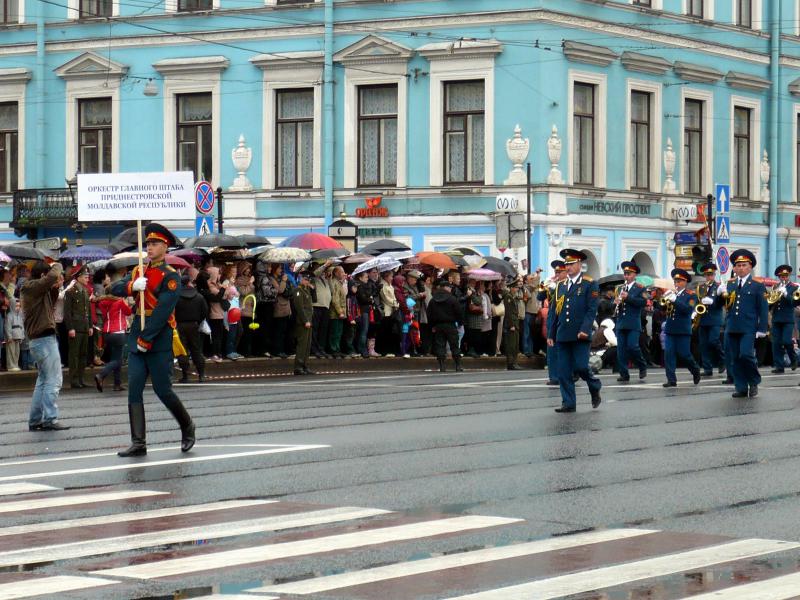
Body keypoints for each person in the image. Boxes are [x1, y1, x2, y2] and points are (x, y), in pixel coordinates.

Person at [111, 223, 195, 457]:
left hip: (158, 339)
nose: (149, 247)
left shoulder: (170, 277)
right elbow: (114, 288)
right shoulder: (139, 271)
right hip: (138, 332)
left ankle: (187, 425)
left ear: (165, 246)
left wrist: (146, 340)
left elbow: (161, 313)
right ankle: (139, 442)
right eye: (147, 243)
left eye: (154, 243)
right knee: (134, 389)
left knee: (163, 390)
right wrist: (131, 286)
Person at [547, 249, 602, 413]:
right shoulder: (560, 286)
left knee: (581, 367)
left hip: (580, 334)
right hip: (563, 333)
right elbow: (556, 311)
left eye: (571, 264)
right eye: (566, 264)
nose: (568, 267)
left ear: (579, 264)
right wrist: (551, 334)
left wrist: (585, 329)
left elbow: (591, 309)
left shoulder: (589, 283)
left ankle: (594, 385)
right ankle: (568, 403)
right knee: (563, 371)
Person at [22, 260, 69, 431]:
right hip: (44, 339)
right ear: (42, 275)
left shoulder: (35, 290)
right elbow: (51, 277)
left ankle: (35, 420)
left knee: (42, 380)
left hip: (40, 340)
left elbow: (51, 301)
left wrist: (56, 287)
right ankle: (50, 418)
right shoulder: (32, 286)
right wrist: (56, 266)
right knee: (53, 380)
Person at [717, 249, 768, 398]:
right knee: (734, 358)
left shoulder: (757, 285)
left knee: (746, 354)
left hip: (748, 327)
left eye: (744, 265)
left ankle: (753, 381)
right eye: (737, 265)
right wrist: (719, 295)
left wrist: (762, 328)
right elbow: (720, 305)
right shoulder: (730, 284)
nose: (740, 268)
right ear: (733, 268)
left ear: (750, 267)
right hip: (732, 326)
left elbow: (763, 309)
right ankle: (740, 387)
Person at [661, 268, 701, 388]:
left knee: (684, 354)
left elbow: (688, 310)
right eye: (675, 281)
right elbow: (664, 309)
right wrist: (664, 301)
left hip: (683, 329)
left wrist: (675, 300)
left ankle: (695, 370)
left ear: (685, 282)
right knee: (668, 354)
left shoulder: (691, 295)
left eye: (679, 281)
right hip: (670, 328)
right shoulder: (672, 294)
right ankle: (671, 379)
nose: (676, 284)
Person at [614, 260, 648, 382]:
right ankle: (624, 374)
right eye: (625, 273)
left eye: (629, 273)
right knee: (621, 350)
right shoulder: (619, 288)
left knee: (633, 347)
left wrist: (628, 297)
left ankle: (642, 365)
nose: (626, 276)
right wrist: (616, 302)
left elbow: (643, 302)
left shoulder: (640, 288)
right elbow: (617, 305)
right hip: (621, 322)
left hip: (633, 322)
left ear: (634, 275)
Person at [94, 289, 132, 392]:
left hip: (107, 332)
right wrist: (126, 303)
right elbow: (128, 312)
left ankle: (117, 383)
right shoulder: (120, 302)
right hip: (118, 331)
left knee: (115, 358)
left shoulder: (103, 303)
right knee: (118, 360)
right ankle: (101, 375)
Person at [63, 265, 93, 388]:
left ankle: (81, 378)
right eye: (85, 277)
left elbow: (88, 311)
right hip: (75, 327)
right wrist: (70, 328)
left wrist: (90, 325)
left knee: (83, 354)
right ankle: (74, 379)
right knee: (74, 355)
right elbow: (67, 312)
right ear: (79, 277)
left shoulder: (85, 291)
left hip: (84, 326)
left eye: (88, 277)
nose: (87, 279)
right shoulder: (71, 291)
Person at [175, 274, 208, 383]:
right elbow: (205, 311)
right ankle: (201, 375)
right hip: (194, 325)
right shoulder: (199, 296)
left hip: (179, 325)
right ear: (189, 282)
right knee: (196, 349)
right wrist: (198, 321)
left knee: (182, 350)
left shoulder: (176, 297)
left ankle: (185, 375)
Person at [539, 260, 567, 385]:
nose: (557, 274)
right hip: (552, 317)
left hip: (564, 318)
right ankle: (554, 377)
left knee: (564, 348)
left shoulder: (568, 284)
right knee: (551, 348)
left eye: (560, 272)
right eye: (556, 272)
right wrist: (543, 287)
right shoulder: (552, 283)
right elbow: (539, 298)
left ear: (566, 272)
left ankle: (568, 374)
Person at [427, 278, 463, 372]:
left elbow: (429, 314)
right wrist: (460, 322)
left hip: (438, 326)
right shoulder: (452, 299)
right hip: (451, 325)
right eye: (450, 287)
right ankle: (458, 365)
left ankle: (442, 366)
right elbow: (459, 312)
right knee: (454, 345)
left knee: (440, 345)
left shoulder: (433, 299)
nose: (451, 289)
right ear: (446, 288)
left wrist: (432, 326)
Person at [696, 263, 726, 377]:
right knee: (703, 344)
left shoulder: (719, 286)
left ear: (714, 275)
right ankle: (707, 368)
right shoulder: (701, 287)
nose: (709, 277)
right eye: (707, 275)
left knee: (713, 341)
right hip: (703, 319)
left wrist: (715, 300)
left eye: (711, 274)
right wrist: (695, 311)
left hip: (715, 319)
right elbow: (697, 301)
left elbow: (723, 303)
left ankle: (722, 360)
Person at [769, 265, 799, 373]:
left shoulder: (794, 287)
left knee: (786, 341)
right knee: (776, 343)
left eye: (786, 276)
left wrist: (786, 293)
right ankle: (779, 366)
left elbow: (795, 302)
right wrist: (768, 301)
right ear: (779, 277)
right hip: (776, 318)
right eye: (781, 276)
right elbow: (771, 304)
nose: (784, 278)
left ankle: (793, 358)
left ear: (789, 276)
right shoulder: (775, 287)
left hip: (787, 319)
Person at [292, 271, 314, 375]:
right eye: (305, 279)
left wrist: (312, 288)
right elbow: (299, 307)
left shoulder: (307, 290)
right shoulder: (298, 290)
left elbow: (314, 300)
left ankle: (305, 364)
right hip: (303, 321)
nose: (307, 281)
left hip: (309, 320)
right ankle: (298, 366)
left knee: (307, 345)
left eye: (308, 280)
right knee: (302, 344)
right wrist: (305, 320)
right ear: (301, 280)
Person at [502, 277, 523, 370]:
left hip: (515, 323)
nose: (517, 289)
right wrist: (511, 325)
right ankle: (511, 363)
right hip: (512, 324)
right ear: (511, 288)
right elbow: (509, 312)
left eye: (517, 288)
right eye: (515, 288)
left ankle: (514, 362)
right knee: (511, 344)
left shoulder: (513, 297)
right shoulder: (508, 297)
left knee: (515, 344)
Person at [4, 297, 24, 371]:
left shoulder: (20, 316)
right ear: (12, 305)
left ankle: (15, 364)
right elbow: (7, 327)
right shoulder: (9, 316)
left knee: (17, 352)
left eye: (19, 306)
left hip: (18, 337)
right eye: (16, 306)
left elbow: (22, 327)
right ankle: (10, 365)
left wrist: (22, 336)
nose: (18, 307)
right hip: (11, 338)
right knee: (11, 352)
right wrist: (9, 336)